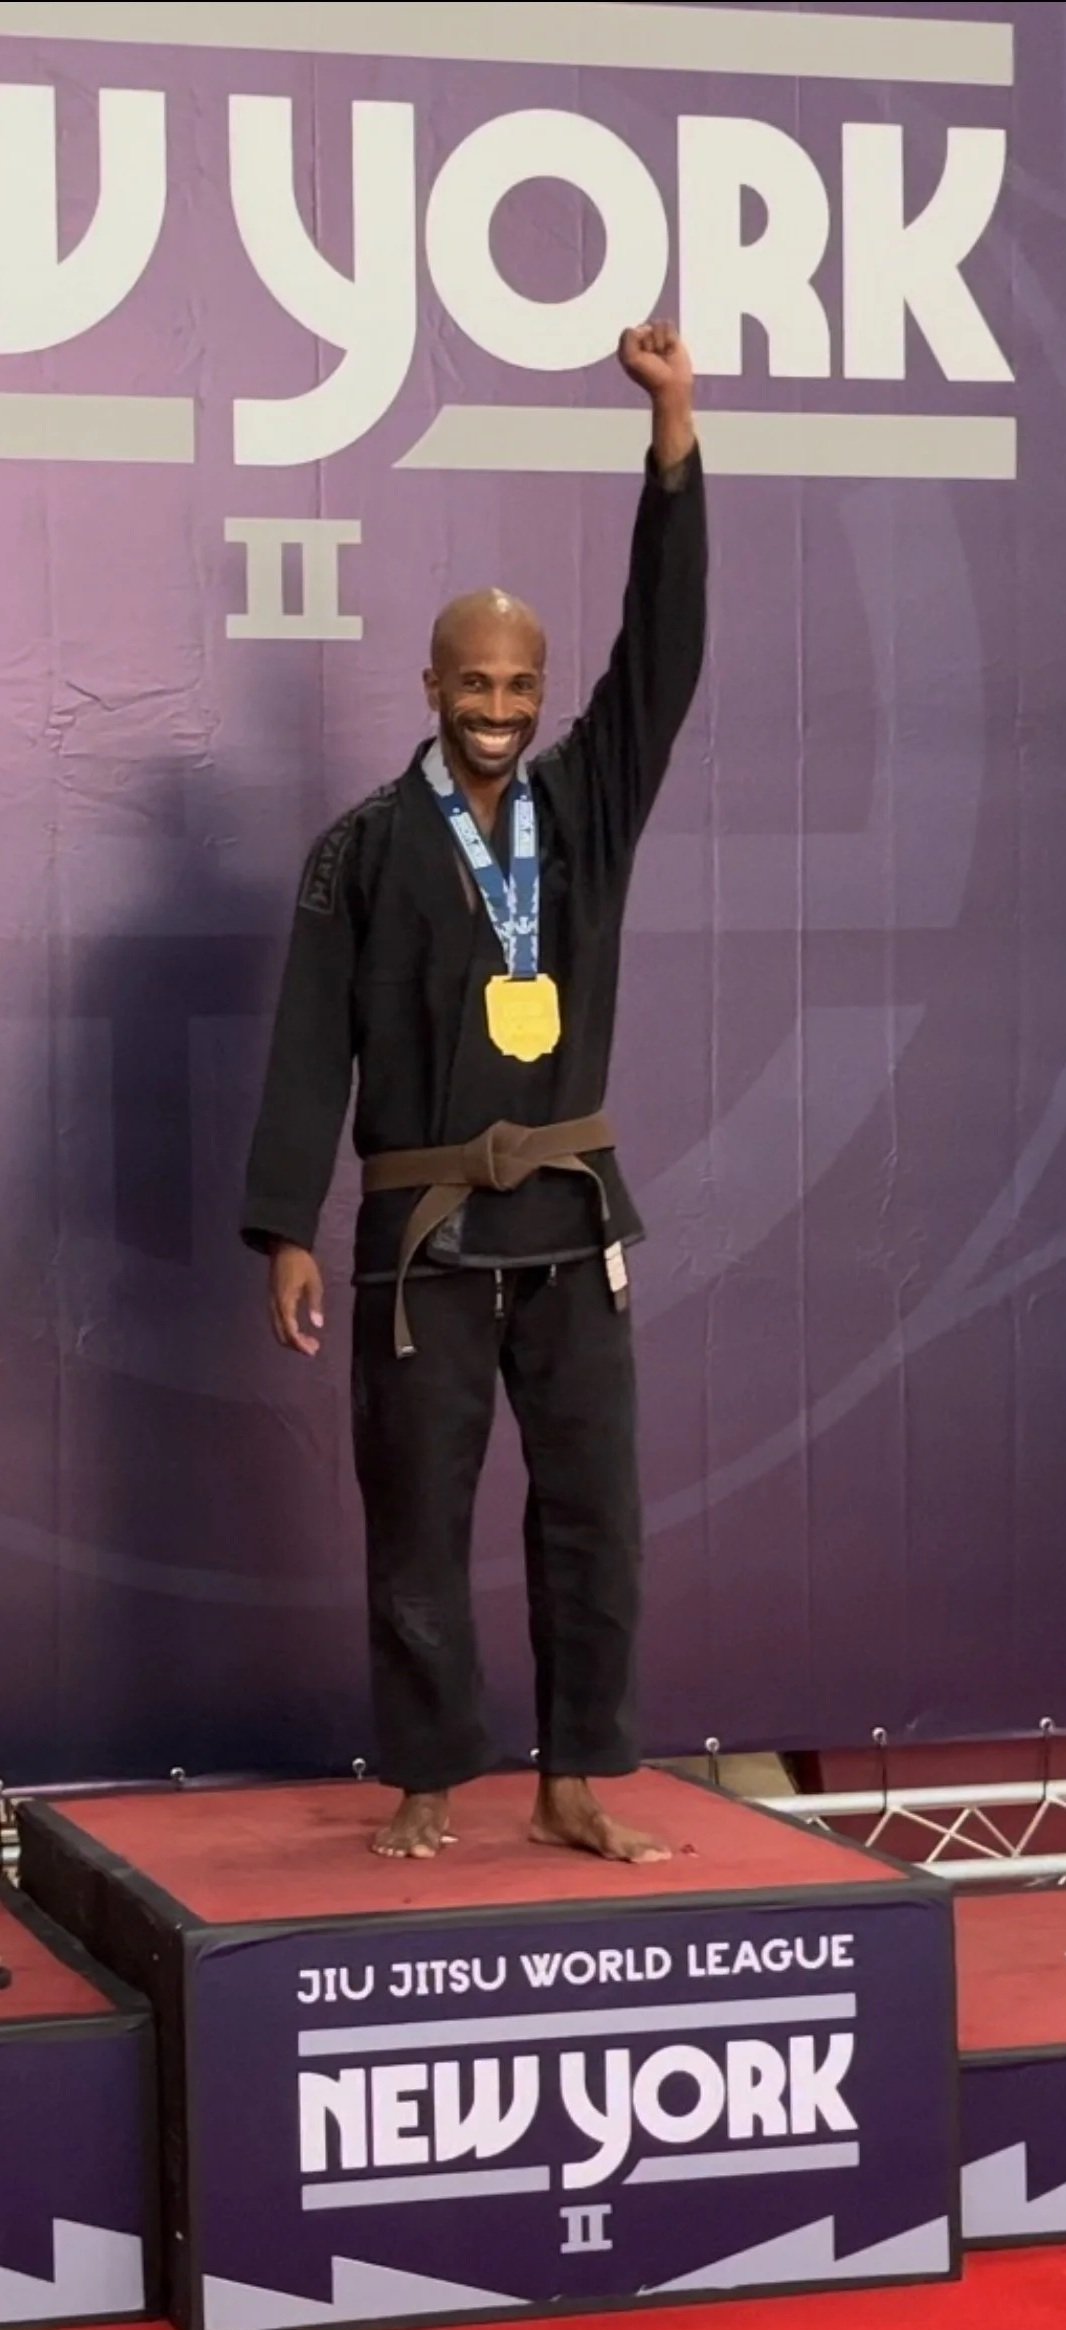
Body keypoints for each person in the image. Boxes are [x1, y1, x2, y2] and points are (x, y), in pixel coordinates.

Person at [243, 323, 706, 1862]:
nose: (499, 703)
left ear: (543, 690)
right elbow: (313, 1041)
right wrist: (287, 1229)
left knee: (592, 1524)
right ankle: (430, 1773)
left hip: (572, 1227)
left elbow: (669, 647)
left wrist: (675, 430)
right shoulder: (362, 850)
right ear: (432, 683)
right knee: (418, 1520)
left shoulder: (587, 806)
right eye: (475, 680)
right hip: (423, 1240)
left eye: (522, 682)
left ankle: (576, 1777)